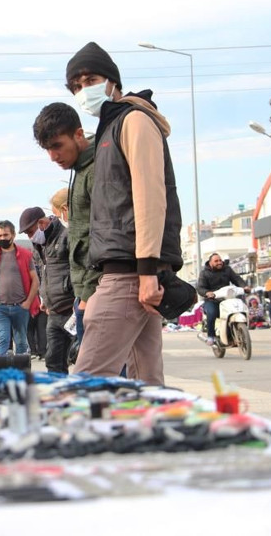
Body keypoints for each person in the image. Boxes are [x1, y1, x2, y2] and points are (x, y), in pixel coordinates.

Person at [64, 42, 183, 383]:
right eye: (76, 86)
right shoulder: (111, 127)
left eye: (90, 80)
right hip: (130, 272)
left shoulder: (133, 121)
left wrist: (147, 271)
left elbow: (150, 196)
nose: (83, 90)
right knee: (146, 383)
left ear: (112, 80)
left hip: (129, 274)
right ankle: (154, 435)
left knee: (85, 382)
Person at [32, 102, 99, 343]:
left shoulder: (96, 170)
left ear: (78, 134)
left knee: (98, 373)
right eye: (48, 149)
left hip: (95, 294)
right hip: (84, 295)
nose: (53, 156)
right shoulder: (79, 171)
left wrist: (87, 297)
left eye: (57, 146)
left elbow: (101, 237)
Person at [20, 204, 75, 374]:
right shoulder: (41, 245)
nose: (30, 237)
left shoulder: (66, 237)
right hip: (53, 311)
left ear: (42, 223)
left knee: (80, 357)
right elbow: (46, 273)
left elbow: (78, 270)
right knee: (53, 360)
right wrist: (44, 297)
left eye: (30, 232)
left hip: (72, 310)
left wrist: (80, 300)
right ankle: (59, 396)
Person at [0, 220, 40, 357]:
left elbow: (35, 280)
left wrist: (28, 303)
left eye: (5, 235)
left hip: (20, 306)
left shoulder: (25, 254)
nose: (2, 238)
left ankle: (20, 374)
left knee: (21, 342)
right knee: (3, 339)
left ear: (13, 235)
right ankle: (2, 373)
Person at [196, 253, 250, 345]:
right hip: (212, 300)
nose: (219, 262)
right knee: (212, 313)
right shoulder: (204, 273)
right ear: (210, 263)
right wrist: (207, 293)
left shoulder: (227, 269)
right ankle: (211, 336)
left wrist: (244, 286)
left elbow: (236, 279)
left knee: (238, 310)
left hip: (227, 299)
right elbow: (200, 287)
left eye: (220, 260)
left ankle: (235, 332)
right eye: (216, 261)